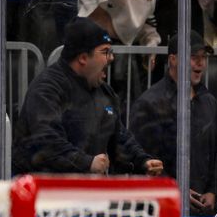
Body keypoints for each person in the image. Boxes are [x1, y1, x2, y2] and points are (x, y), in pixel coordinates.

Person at [12, 17, 164, 175]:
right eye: (105, 52)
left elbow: (118, 137)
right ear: (83, 58)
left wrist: (142, 161)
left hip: (84, 192)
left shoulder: (104, 92)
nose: (111, 58)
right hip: (43, 192)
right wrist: (87, 163)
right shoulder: (47, 90)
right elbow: (47, 143)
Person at [129, 30, 217, 217]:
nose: (200, 62)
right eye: (193, 57)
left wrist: (213, 191)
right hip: (161, 209)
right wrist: (175, 189)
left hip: (202, 208)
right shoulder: (150, 104)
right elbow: (140, 160)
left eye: (203, 57)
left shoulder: (209, 103)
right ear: (173, 60)